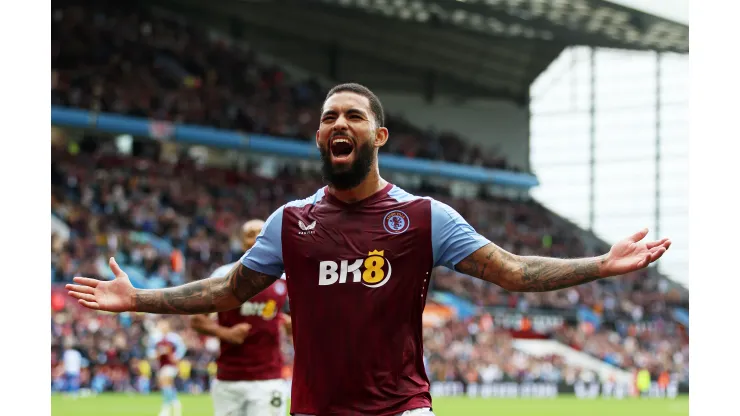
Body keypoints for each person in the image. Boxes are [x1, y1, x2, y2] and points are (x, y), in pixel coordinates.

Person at [67, 83, 671, 416]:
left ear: (378, 135)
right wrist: (139, 298)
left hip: (401, 409)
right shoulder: (290, 223)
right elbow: (227, 290)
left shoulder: (424, 217)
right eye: (329, 116)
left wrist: (600, 264)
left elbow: (512, 271)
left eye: (354, 115)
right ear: (320, 136)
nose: (339, 123)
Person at [190, 219, 290, 416]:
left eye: (260, 233)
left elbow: (293, 320)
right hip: (229, 379)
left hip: (268, 379)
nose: (255, 238)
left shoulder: (285, 279)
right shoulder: (223, 274)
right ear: (242, 242)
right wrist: (226, 333)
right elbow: (197, 319)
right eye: (249, 234)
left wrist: (291, 326)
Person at [147, 319, 186, 416]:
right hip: (161, 365)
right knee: (167, 385)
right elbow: (150, 352)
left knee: (165, 380)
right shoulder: (155, 338)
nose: (163, 327)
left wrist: (175, 357)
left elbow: (182, 349)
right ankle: (174, 404)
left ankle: (167, 407)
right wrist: (157, 354)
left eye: (165, 325)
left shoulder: (174, 338)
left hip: (171, 364)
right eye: (161, 325)